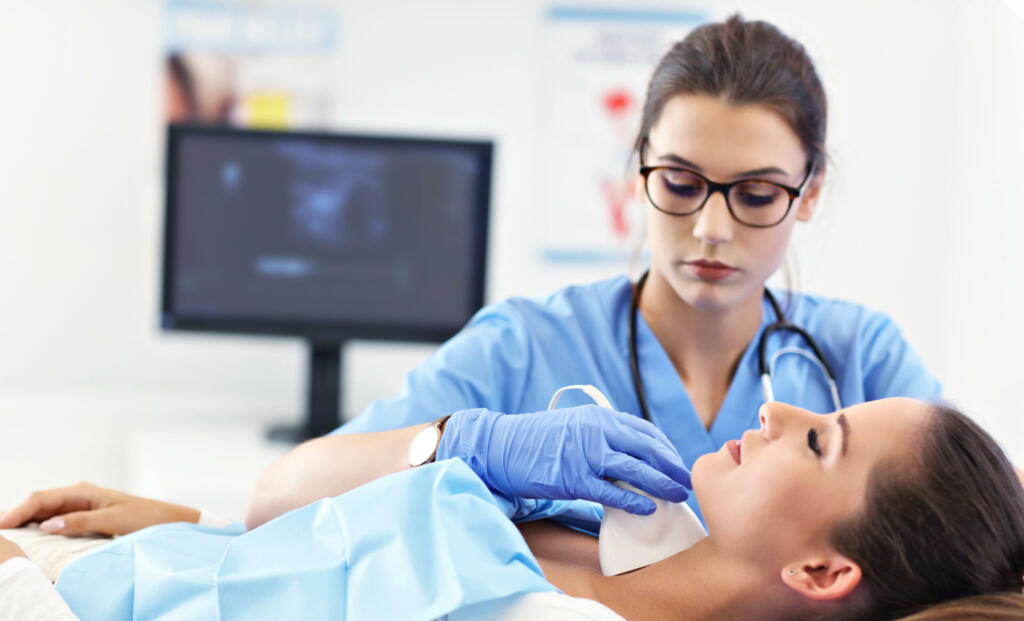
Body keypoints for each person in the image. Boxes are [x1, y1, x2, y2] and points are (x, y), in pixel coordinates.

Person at [237, 14, 941, 530]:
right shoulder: (527, 345)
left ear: (809, 193)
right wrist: (466, 442)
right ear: (636, 173)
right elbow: (279, 496)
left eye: (757, 195)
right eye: (680, 182)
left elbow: (990, 520)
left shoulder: (862, 359)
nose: (711, 229)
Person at [0, 398, 1022, 621]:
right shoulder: (633, 519)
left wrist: (14, 599)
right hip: (95, 575)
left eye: (817, 439)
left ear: (821, 569)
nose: (776, 406)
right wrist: (190, 525)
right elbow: (307, 553)